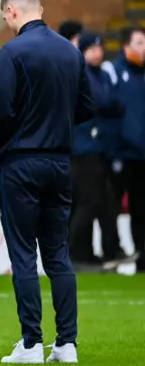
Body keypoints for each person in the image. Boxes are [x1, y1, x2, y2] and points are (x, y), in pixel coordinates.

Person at [0, 0, 94, 364]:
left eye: (4, 17)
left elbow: (1, 110)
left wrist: (3, 148)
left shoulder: (13, 51)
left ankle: (31, 344)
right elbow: (88, 105)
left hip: (21, 162)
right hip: (60, 162)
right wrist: (59, 122)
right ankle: (67, 344)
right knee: (57, 254)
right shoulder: (71, 51)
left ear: (13, 11)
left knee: (23, 255)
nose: (5, 24)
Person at [69, 32, 127, 271]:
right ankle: (73, 254)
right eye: (91, 49)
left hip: (100, 149)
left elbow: (113, 102)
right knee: (88, 203)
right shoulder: (80, 75)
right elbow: (101, 102)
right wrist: (111, 105)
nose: (97, 53)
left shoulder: (102, 74)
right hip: (83, 150)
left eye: (99, 48)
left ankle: (107, 251)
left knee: (107, 204)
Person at [102, 26, 145, 273]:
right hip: (120, 154)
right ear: (126, 46)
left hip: (141, 155)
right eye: (139, 43)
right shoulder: (113, 72)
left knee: (141, 210)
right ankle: (111, 255)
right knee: (111, 207)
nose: (143, 48)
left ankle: (142, 259)